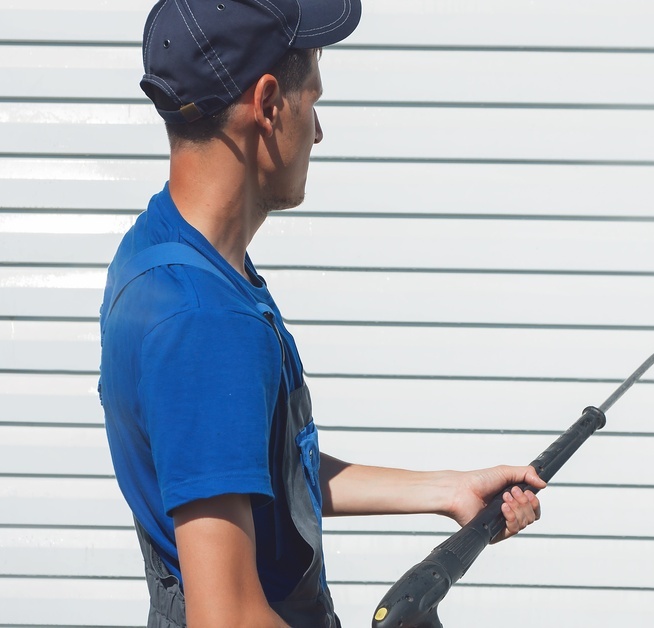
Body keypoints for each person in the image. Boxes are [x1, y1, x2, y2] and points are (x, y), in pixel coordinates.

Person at [97, 1, 545, 625]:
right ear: (270, 103)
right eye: (314, 102)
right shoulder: (204, 321)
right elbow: (225, 617)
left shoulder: (162, 252)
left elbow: (260, 468)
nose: (319, 131)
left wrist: (448, 491)